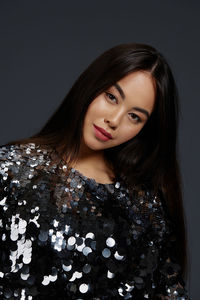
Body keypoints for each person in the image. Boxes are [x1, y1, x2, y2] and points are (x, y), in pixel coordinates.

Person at [0, 43, 190, 299]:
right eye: (112, 97)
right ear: (92, 85)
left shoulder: (144, 204)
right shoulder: (10, 168)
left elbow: (168, 291)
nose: (114, 120)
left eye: (134, 116)